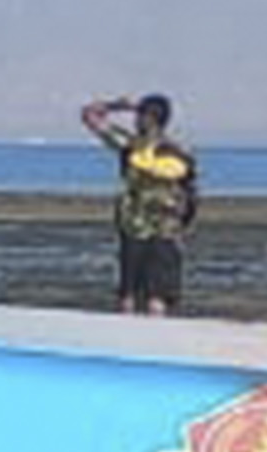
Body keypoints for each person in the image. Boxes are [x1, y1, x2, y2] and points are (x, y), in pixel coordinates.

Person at [79, 91, 200, 313]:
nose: (136, 121)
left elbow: (89, 115)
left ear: (147, 118)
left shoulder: (131, 144)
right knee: (158, 296)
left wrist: (117, 106)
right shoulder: (182, 150)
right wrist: (187, 221)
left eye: (139, 116)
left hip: (135, 224)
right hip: (167, 228)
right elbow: (191, 190)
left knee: (130, 293)